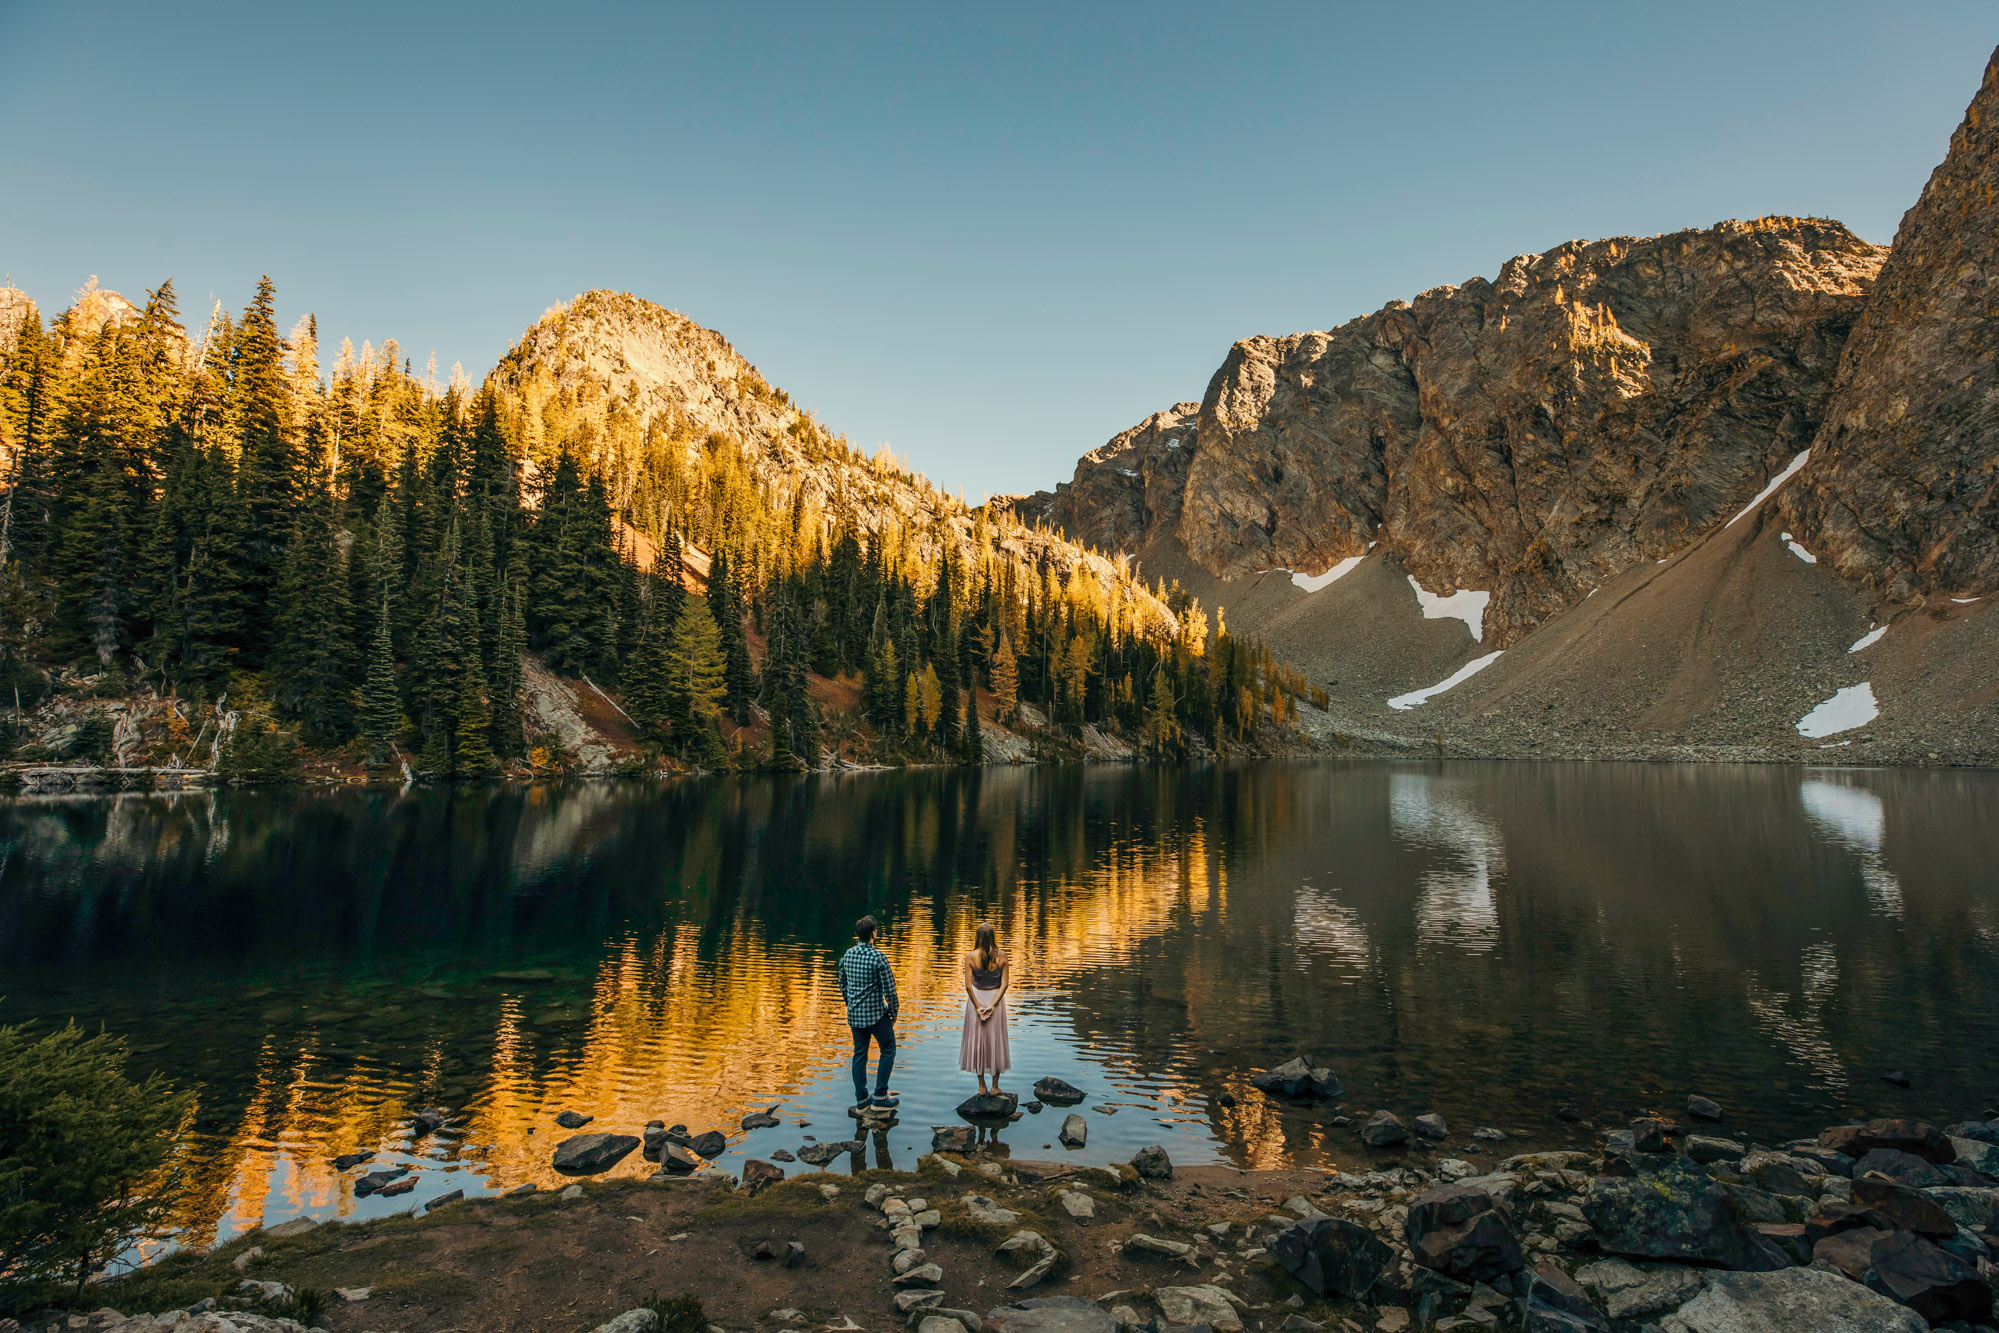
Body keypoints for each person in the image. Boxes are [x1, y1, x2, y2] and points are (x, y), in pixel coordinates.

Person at [837, 915, 900, 1109]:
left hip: (855, 1016)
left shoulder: (848, 955)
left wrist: (851, 1003)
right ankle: (880, 1096)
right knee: (888, 1049)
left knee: (859, 1054)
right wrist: (893, 1012)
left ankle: (862, 1099)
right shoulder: (878, 957)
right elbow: (890, 989)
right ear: (873, 933)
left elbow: (842, 984)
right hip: (875, 1015)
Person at [958, 921, 1011, 1094]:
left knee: (978, 1041)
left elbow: (967, 985)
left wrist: (978, 1006)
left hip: (977, 1000)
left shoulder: (970, 957)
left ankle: (981, 1086)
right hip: (996, 999)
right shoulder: (1002, 956)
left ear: (978, 938)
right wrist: (993, 1005)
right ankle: (995, 1086)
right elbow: (1005, 984)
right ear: (993, 937)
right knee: (996, 1041)